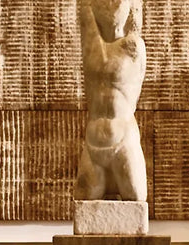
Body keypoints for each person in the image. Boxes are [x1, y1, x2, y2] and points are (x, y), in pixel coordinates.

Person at [74, 0, 147, 202]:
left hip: (123, 138)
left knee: (136, 198)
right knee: (83, 200)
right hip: (93, 141)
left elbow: (134, 87)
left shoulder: (133, 47)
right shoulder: (91, 43)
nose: (111, 7)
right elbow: (85, 12)